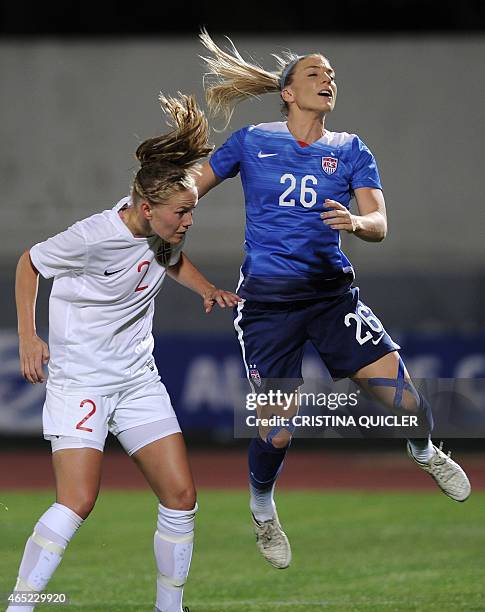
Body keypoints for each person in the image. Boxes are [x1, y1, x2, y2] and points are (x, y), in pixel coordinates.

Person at [195, 31, 471, 570]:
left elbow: (380, 224)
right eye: (314, 74)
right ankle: (262, 508)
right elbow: (193, 186)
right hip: (269, 306)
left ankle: (425, 453)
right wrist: (162, 195)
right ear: (288, 93)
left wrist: (355, 222)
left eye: (332, 75)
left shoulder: (349, 150)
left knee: (408, 403)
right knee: (276, 431)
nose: (328, 80)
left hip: (331, 298)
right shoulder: (253, 141)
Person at [9, 93, 240, 612]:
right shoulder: (93, 236)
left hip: (137, 378)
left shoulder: (160, 228)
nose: (187, 222)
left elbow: (171, 258)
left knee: (181, 498)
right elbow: (29, 263)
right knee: (77, 502)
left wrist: (206, 288)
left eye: (191, 212)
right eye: (181, 213)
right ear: (144, 208)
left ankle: (169, 609)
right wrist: (29, 335)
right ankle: (19, 606)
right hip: (82, 381)